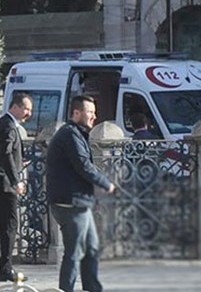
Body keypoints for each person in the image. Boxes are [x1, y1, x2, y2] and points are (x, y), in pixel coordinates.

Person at [47, 95, 116, 292]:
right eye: (90, 112)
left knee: (91, 249)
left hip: (78, 202)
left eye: (94, 113)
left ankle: (92, 288)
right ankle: (66, 289)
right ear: (76, 113)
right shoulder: (70, 135)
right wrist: (106, 184)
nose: (94, 117)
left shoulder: (75, 133)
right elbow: (83, 165)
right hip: (70, 203)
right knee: (74, 252)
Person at [0, 92, 32, 282]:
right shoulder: (9, 126)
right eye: (26, 108)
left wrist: (21, 165)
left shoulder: (5, 123)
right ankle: (5, 268)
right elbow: (6, 154)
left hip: (4, 181)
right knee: (11, 226)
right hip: (5, 185)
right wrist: (15, 180)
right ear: (16, 107)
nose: (28, 113)